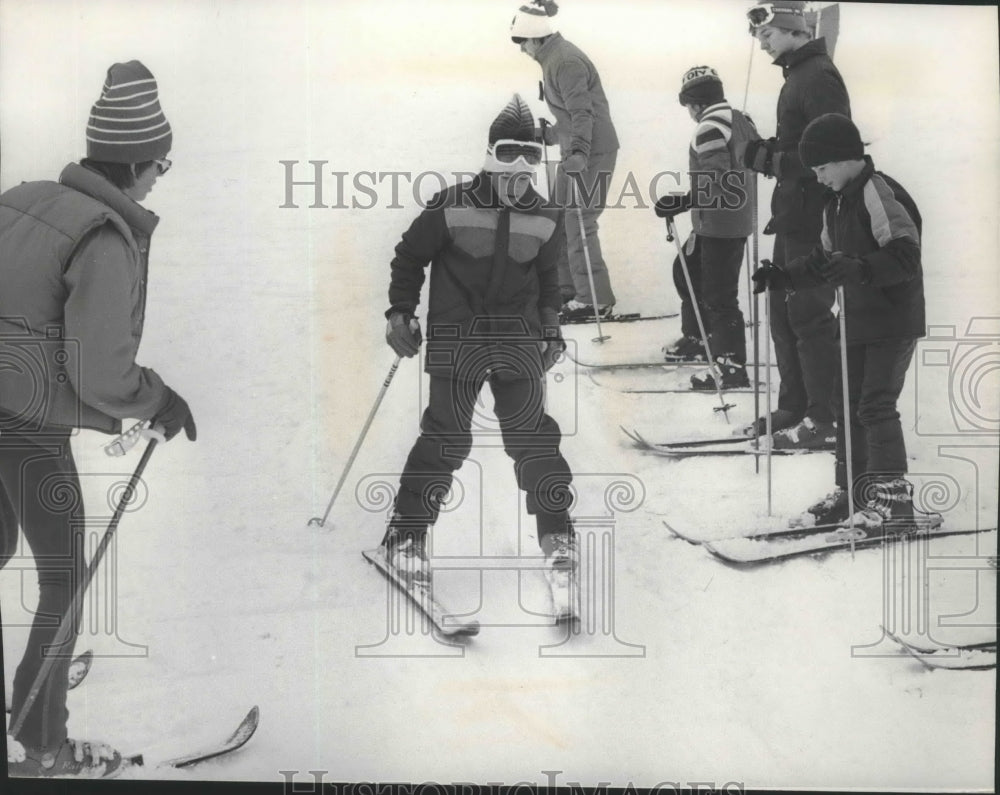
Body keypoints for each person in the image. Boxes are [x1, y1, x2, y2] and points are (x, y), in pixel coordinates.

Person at [1, 60, 195, 779]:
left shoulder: (23, 196)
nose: (158, 179)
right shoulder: (103, 238)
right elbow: (101, 371)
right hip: (22, 423)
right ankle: (40, 743)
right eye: (160, 166)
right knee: (63, 578)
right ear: (138, 162)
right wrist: (158, 400)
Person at [380, 95, 576, 605]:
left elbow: (548, 277)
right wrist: (401, 311)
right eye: (508, 152)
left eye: (530, 155)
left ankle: (557, 538)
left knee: (534, 439)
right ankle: (406, 535)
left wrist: (551, 328)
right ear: (489, 152)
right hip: (457, 335)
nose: (519, 165)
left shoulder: (547, 216)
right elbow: (408, 256)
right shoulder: (452, 204)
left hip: (517, 338)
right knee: (446, 437)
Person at [753, 113, 926, 530]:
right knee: (846, 405)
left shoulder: (877, 192)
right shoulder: (836, 204)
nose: (819, 177)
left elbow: (906, 253)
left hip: (892, 321)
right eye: (813, 171)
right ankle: (853, 492)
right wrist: (784, 276)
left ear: (847, 158)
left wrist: (862, 268)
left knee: (875, 405)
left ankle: (892, 500)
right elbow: (822, 261)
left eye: (822, 168)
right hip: (857, 321)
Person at [742, 0, 851, 449]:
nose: (762, 44)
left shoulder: (819, 76)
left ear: (790, 29)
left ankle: (822, 418)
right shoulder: (798, 76)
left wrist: (772, 160)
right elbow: (800, 140)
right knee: (782, 313)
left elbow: (835, 151)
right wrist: (771, 150)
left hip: (813, 218)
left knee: (807, 315)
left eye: (767, 35)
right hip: (791, 214)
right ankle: (795, 404)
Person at [510, 0, 619, 322]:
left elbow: (584, 113)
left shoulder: (565, 61)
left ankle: (594, 300)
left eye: (522, 42)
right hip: (577, 150)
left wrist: (578, 154)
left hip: (592, 153)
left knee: (579, 220)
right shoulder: (552, 58)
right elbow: (571, 117)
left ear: (535, 36)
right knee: (557, 218)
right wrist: (549, 135)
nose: (521, 49)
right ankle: (568, 291)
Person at [654, 66, 759, 390]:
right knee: (685, 269)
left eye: (688, 105)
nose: (689, 112)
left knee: (719, 295)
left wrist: (684, 200)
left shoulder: (709, 127)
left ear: (696, 103)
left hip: (720, 224)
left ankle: (730, 365)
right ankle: (699, 336)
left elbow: (718, 178)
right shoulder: (739, 118)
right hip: (723, 219)